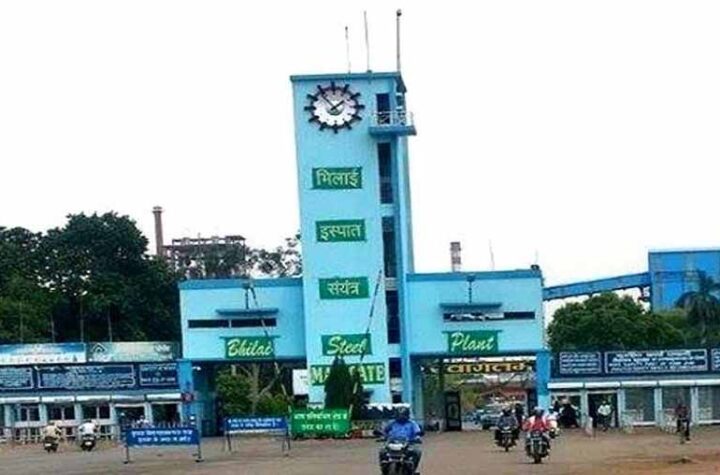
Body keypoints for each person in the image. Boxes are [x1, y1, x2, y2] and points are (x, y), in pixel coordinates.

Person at [379, 407, 422, 473]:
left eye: (403, 415)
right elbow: (384, 431)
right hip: (392, 443)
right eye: (399, 415)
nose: (401, 417)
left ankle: (412, 469)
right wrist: (382, 435)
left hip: (408, 444)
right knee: (382, 452)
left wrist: (417, 437)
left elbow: (417, 432)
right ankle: (384, 468)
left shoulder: (412, 423)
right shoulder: (392, 423)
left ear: (407, 415)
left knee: (417, 452)